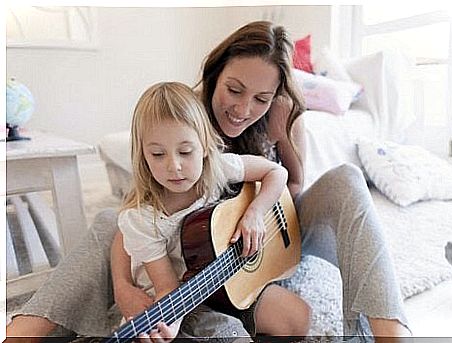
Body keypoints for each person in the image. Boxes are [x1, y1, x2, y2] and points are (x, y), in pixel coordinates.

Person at [7, 20, 410, 341]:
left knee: (347, 180)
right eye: (234, 89)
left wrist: (257, 206)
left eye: (260, 98)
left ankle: (390, 332)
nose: (242, 108)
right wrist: (125, 287)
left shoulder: (282, 112)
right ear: (216, 74)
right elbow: (139, 204)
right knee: (112, 220)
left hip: (276, 228)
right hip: (209, 247)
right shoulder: (187, 117)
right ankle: (28, 329)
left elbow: (293, 186)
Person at [117, 81, 310, 340]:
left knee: (300, 319)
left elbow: (277, 172)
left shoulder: (220, 168)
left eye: (185, 151)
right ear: (142, 156)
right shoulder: (140, 219)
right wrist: (170, 322)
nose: (174, 166)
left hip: (232, 281)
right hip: (185, 299)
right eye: (158, 154)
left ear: (205, 145)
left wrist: (255, 213)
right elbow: (166, 286)